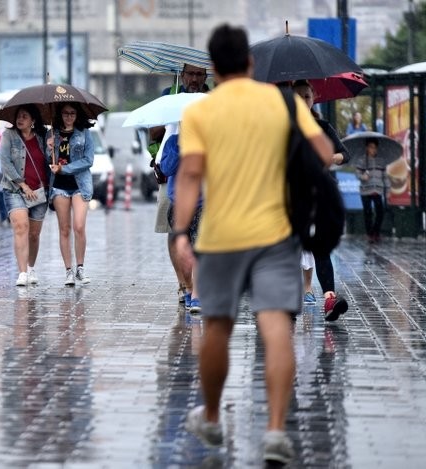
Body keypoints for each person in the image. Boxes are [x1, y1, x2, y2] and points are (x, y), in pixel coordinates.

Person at [174, 24, 333, 465]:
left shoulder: (201, 113)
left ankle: (210, 417)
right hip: (277, 234)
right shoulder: (281, 102)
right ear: (249, 63)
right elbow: (321, 151)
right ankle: (276, 430)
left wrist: (181, 232)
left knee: (218, 330)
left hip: (221, 238)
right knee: (276, 327)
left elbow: (189, 174)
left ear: (214, 68)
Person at [152, 63, 210, 305]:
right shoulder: (169, 96)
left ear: (205, 76)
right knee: (174, 230)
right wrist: (157, 159)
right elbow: (154, 135)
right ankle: (184, 283)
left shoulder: (211, 99)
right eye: (190, 74)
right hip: (172, 175)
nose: (194, 78)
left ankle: (197, 287)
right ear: (182, 75)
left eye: (199, 74)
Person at [292, 80, 350, 320]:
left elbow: (344, 154)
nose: (303, 101)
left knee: (321, 248)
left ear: (313, 97)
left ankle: (329, 299)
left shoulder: (323, 127)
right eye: (298, 96)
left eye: (307, 96)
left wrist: (332, 157)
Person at [0, 104, 49, 287]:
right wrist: (23, 185)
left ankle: (30, 267)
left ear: (33, 121)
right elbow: (5, 162)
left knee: (34, 235)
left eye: (25, 116)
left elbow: (52, 159)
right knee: (21, 226)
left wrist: (52, 147)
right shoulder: (9, 136)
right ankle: (21, 273)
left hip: (39, 192)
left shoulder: (44, 137)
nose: (20, 119)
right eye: (18, 116)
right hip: (14, 189)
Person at [47, 103, 94, 286]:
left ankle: (80, 268)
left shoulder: (84, 133)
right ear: (60, 114)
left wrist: (64, 168)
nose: (68, 116)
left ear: (77, 115)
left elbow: (88, 160)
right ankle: (68, 271)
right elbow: (48, 161)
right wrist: (49, 147)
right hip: (59, 186)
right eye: (65, 113)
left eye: (72, 113)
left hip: (80, 184)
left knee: (79, 226)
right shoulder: (53, 133)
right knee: (64, 229)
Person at [159, 130, 202, 312]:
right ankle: (189, 287)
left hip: (202, 202)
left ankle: (197, 295)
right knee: (183, 250)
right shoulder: (172, 142)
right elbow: (166, 168)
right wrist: (180, 148)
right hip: (178, 203)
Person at [356, 137, 388, 243]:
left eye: (375, 148)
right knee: (368, 212)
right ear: (367, 148)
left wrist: (387, 189)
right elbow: (357, 173)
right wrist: (362, 176)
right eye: (371, 147)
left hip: (378, 190)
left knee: (380, 212)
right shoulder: (362, 160)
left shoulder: (381, 161)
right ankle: (370, 234)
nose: (373, 150)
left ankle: (376, 232)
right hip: (365, 190)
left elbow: (385, 176)